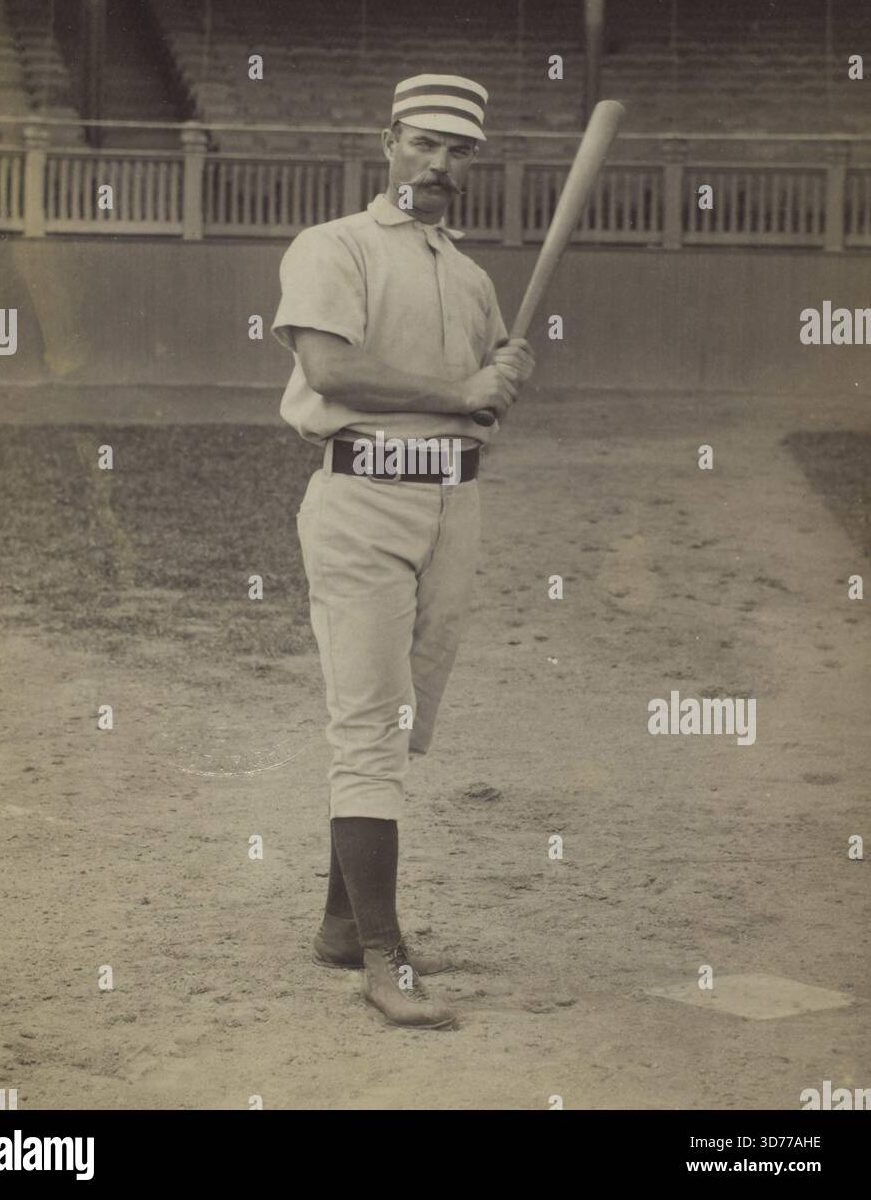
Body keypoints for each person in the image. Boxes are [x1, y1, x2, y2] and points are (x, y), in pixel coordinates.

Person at [271, 73, 535, 1028]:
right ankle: (387, 963)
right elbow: (330, 368)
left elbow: (481, 396)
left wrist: (503, 376)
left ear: (471, 161)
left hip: (451, 506)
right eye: (422, 142)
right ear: (388, 141)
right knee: (369, 723)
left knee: (403, 720)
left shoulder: (471, 278)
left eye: (456, 149)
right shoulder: (333, 246)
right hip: (362, 499)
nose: (437, 161)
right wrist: (460, 394)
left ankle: (345, 926)